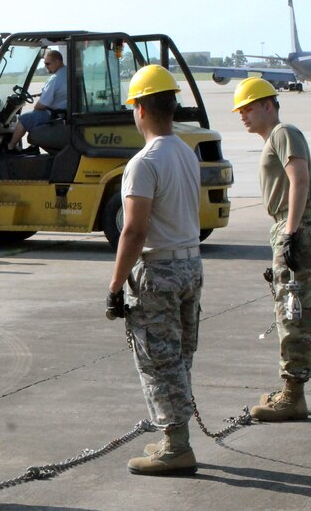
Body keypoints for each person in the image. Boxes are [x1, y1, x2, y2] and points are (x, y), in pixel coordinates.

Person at [105, 65, 202, 476]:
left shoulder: (143, 163)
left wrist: (114, 285)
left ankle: (176, 446)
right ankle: (172, 435)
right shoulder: (185, 151)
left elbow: (134, 229)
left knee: (159, 361)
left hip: (159, 272)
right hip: (190, 265)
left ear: (140, 109)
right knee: (179, 357)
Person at [232, 77, 311, 421]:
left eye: (248, 108)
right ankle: (291, 387)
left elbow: (298, 179)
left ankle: (293, 395)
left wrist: (290, 234)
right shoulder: (274, 138)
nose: (242, 115)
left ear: (267, 105)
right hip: (289, 225)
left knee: (295, 315)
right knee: (289, 309)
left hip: (296, 225)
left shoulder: (284, 133)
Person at [6, 49, 67, 152]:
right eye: (44, 63)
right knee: (33, 117)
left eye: (48, 63)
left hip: (54, 115)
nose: (46, 66)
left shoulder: (55, 78)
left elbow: (42, 105)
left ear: (57, 62)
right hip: (63, 113)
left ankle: (10, 147)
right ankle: (34, 147)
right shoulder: (67, 72)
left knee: (24, 119)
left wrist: (36, 106)